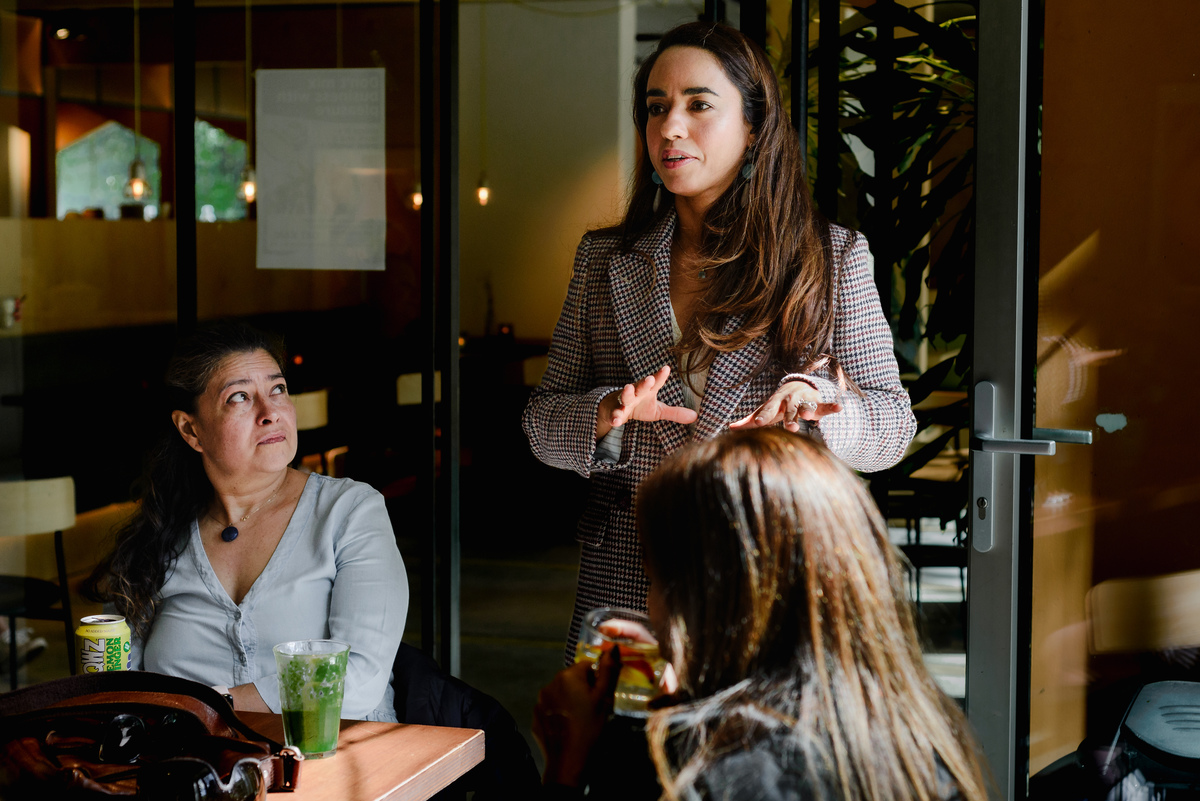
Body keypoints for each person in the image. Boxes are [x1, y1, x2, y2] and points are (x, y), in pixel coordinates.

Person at [521, 21, 917, 656]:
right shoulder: (604, 261)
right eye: (656, 108)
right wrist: (606, 412)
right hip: (629, 582)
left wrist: (820, 403)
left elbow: (893, 427)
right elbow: (541, 425)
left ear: (754, 126)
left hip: (772, 581)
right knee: (624, 755)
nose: (670, 127)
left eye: (698, 105)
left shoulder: (829, 258)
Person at [533, 428, 987, 801]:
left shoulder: (720, 775)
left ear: (707, 598)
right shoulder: (918, 735)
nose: (651, 605)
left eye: (655, 578)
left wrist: (566, 769)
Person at [82, 322, 408, 721]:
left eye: (279, 390)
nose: (270, 413)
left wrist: (207, 707)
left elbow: (360, 680)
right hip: (185, 768)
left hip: (330, 762)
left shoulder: (349, 512)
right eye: (240, 397)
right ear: (191, 430)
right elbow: (116, 685)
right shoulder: (159, 532)